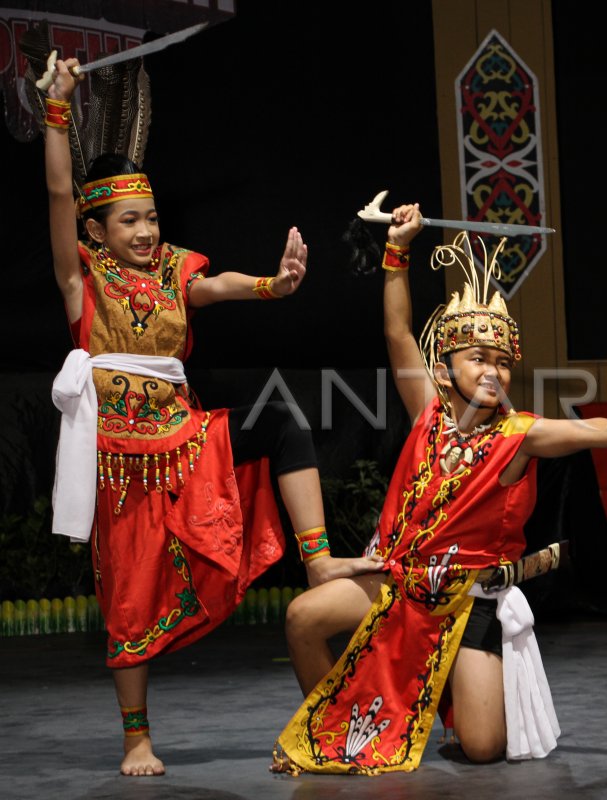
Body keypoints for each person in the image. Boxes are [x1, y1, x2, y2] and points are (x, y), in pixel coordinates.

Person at [41, 59, 380, 777]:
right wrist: (57, 111)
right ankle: (137, 736)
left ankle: (318, 562)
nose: (144, 230)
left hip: (185, 444)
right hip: (121, 463)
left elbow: (217, 286)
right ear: (95, 230)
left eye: (152, 217)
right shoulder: (85, 280)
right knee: (128, 603)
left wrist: (275, 285)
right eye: (128, 220)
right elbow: (57, 190)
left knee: (283, 423)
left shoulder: (172, 272)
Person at [273, 207, 607, 774]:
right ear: (445, 372)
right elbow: (397, 332)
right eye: (477, 359)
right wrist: (398, 251)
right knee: (302, 618)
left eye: (501, 362)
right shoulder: (427, 415)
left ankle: (445, 694)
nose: (492, 371)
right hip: (401, 580)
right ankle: (333, 726)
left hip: (468, 601)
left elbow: (587, 430)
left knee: (483, 748)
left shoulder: (517, 437)